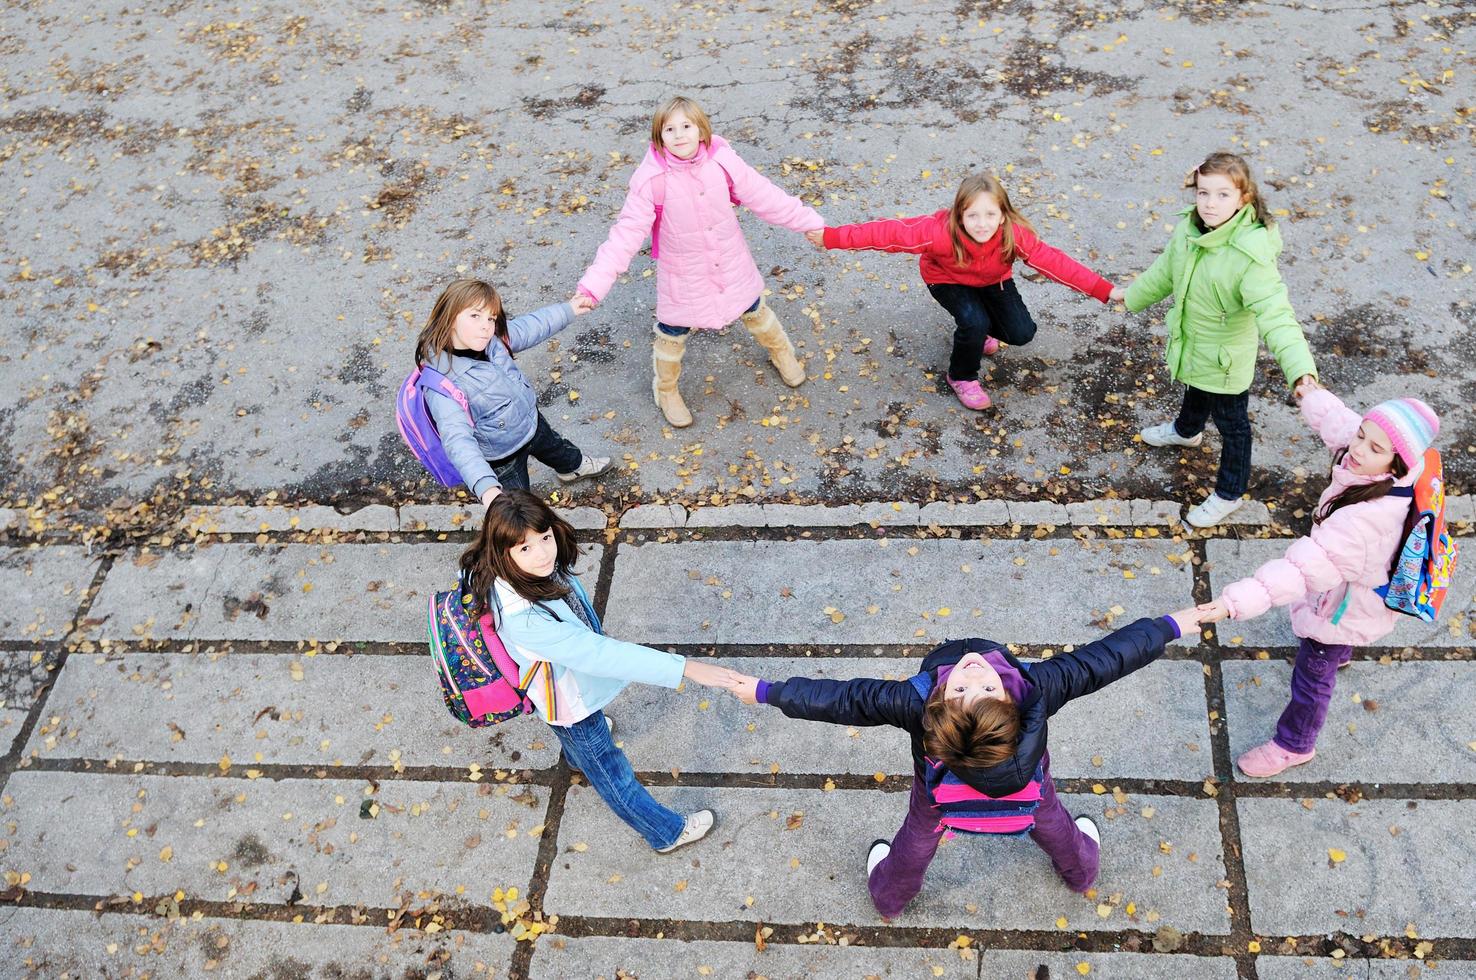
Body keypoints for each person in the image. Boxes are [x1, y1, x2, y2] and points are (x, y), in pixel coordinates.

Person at [725, 609, 1204, 918]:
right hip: (1029, 789)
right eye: (976, 687)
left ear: (937, 709)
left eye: (965, 688)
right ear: (1013, 710)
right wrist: (1171, 625)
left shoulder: (913, 703)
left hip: (939, 796)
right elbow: (1107, 658)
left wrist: (769, 691)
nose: (973, 673)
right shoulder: (1041, 689)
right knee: (1053, 822)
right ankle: (1081, 873)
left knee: (917, 840)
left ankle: (889, 898)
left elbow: (842, 699)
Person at [466, 490, 746, 851]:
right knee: (615, 777)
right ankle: (666, 832)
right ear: (503, 551)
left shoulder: (500, 571)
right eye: (525, 548)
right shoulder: (527, 620)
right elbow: (599, 654)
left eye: (545, 538)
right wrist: (687, 668)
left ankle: (578, 755)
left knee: (580, 742)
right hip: (571, 701)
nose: (543, 554)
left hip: (552, 690)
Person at [1198, 388, 1440, 777]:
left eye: (1374, 447)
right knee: (1328, 650)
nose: (1358, 449)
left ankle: (1294, 744)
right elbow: (1340, 423)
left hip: (1340, 608)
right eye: (1363, 434)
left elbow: (1302, 569)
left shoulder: (1361, 522)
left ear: (1397, 461)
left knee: (1312, 678)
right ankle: (1341, 653)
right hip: (1358, 591)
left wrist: (1234, 602)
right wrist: (1310, 393)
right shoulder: (1387, 468)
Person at [575, 95, 824, 427]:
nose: (679, 135)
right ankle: (666, 390)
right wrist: (593, 287)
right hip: (684, 273)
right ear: (658, 137)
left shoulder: (722, 161)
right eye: (670, 129)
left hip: (730, 260)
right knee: (673, 329)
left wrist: (811, 223)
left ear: (702, 130)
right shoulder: (651, 181)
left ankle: (781, 352)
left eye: (687, 126)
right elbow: (624, 236)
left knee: (752, 307)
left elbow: (765, 195)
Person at [806, 172, 1124, 410]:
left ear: (1003, 215)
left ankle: (981, 332)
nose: (982, 224)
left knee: (1022, 332)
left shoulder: (1015, 235)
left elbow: (1055, 262)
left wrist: (1105, 290)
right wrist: (831, 237)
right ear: (960, 214)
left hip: (993, 281)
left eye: (990, 215)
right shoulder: (939, 233)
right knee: (973, 321)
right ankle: (961, 376)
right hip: (947, 280)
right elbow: (886, 233)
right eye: (972, 215)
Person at [1122, 151, 1317, 527]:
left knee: (1233, 426)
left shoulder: (1250, 257)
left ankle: (1229, 492)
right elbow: (1165, 272)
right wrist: (1129, 297)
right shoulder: (1190, 231)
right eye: (1203, 193)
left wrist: (1301, 372)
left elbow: (1278, 316)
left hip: (1227, 361)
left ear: (1244, 198)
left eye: (1223, 195)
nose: (1210, 203)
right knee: (1196, 388)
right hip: (1195, 343)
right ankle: (1186, 432)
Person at [415, 279, 609, 505]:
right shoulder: (442, 384)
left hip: (530, 421)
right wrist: (486, 488)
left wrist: (569, 309)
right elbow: (458, 441)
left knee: (558, 448)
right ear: (449, 317)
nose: (486, 326)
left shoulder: (492, 339)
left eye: (491, 318)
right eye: (475, 316)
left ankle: (572, 467)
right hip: (503, 456)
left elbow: (531, 327)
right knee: (520, 505)